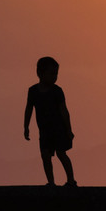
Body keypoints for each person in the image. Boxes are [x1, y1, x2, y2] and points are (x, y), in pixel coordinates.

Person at [24, 56, 77, 187]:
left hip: (59, 129)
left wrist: (69, 129)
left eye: (56, 74)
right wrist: (26, 126)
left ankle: (71, 181)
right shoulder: (33, 91)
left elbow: (64, 111)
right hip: (44, 130)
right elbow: (29, 109)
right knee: (45, 155)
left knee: (61, 153)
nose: (54, 77)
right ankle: (51, 183)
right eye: (52, 73)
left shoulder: (57, 91)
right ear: (40, 73)